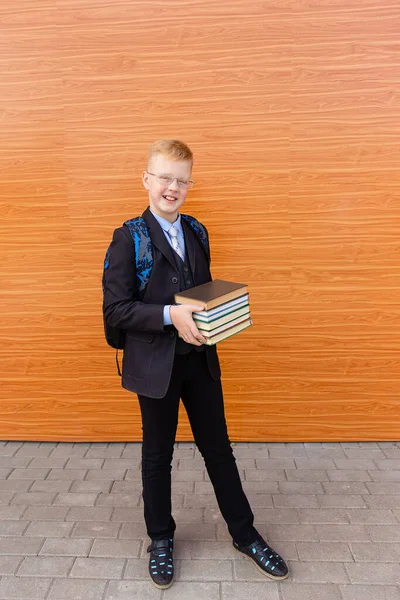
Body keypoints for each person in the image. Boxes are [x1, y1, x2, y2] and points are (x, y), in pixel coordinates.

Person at [103, 139, 289, 589]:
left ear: (190, 184)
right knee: (157, 456)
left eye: (181, 180)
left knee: (219, 450)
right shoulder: (128, 237)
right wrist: (170, 314)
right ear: (146, 179)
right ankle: (160, 539)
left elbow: (201, 294)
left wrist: (220, 314)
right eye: (164, 177)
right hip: (156, 368)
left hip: (200, 361)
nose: (173, 187)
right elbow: (115, 310)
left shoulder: (198, 231)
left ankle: (244, 535)